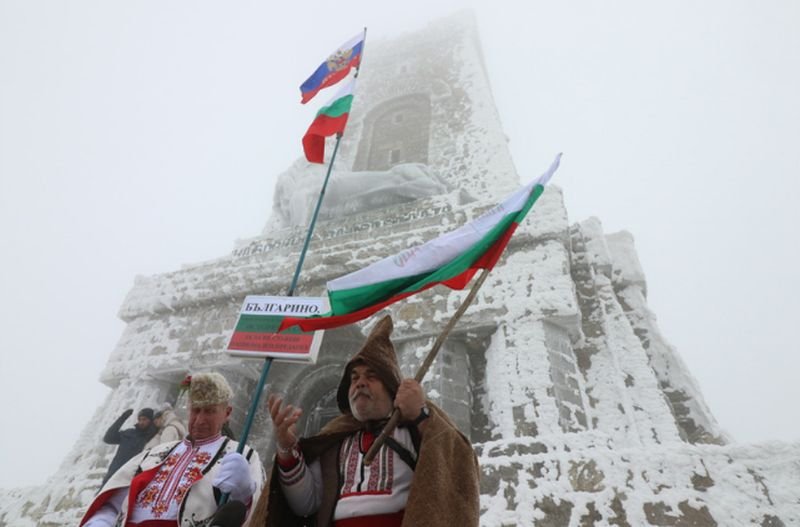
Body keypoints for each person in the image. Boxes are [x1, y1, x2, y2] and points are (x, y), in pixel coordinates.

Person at [251, 315, 480, 527]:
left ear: (391, 387)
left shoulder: (416, 429)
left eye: (371, 376)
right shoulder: (336, 441)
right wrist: (286, 449)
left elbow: (456, 471)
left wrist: (419, 416)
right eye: (354, 378)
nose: (360, 383)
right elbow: (306, 504)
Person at [81, 372, 264, 527]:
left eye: (209, 411)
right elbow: (112, 504)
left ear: (227, 413)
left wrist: (245, 493)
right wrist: (100, 522)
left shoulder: (243, 456)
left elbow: (253, 513)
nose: (199, 420)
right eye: (196, 410)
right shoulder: (155, 453)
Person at [100, 407, 157, 488]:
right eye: (140, 419)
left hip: (130, 481)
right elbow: (108, 438)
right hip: (113, 476)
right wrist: (122, 418)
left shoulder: (153, 437)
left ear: (150, 420)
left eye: (144, 419)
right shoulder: (129, 433)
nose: (141, 422)